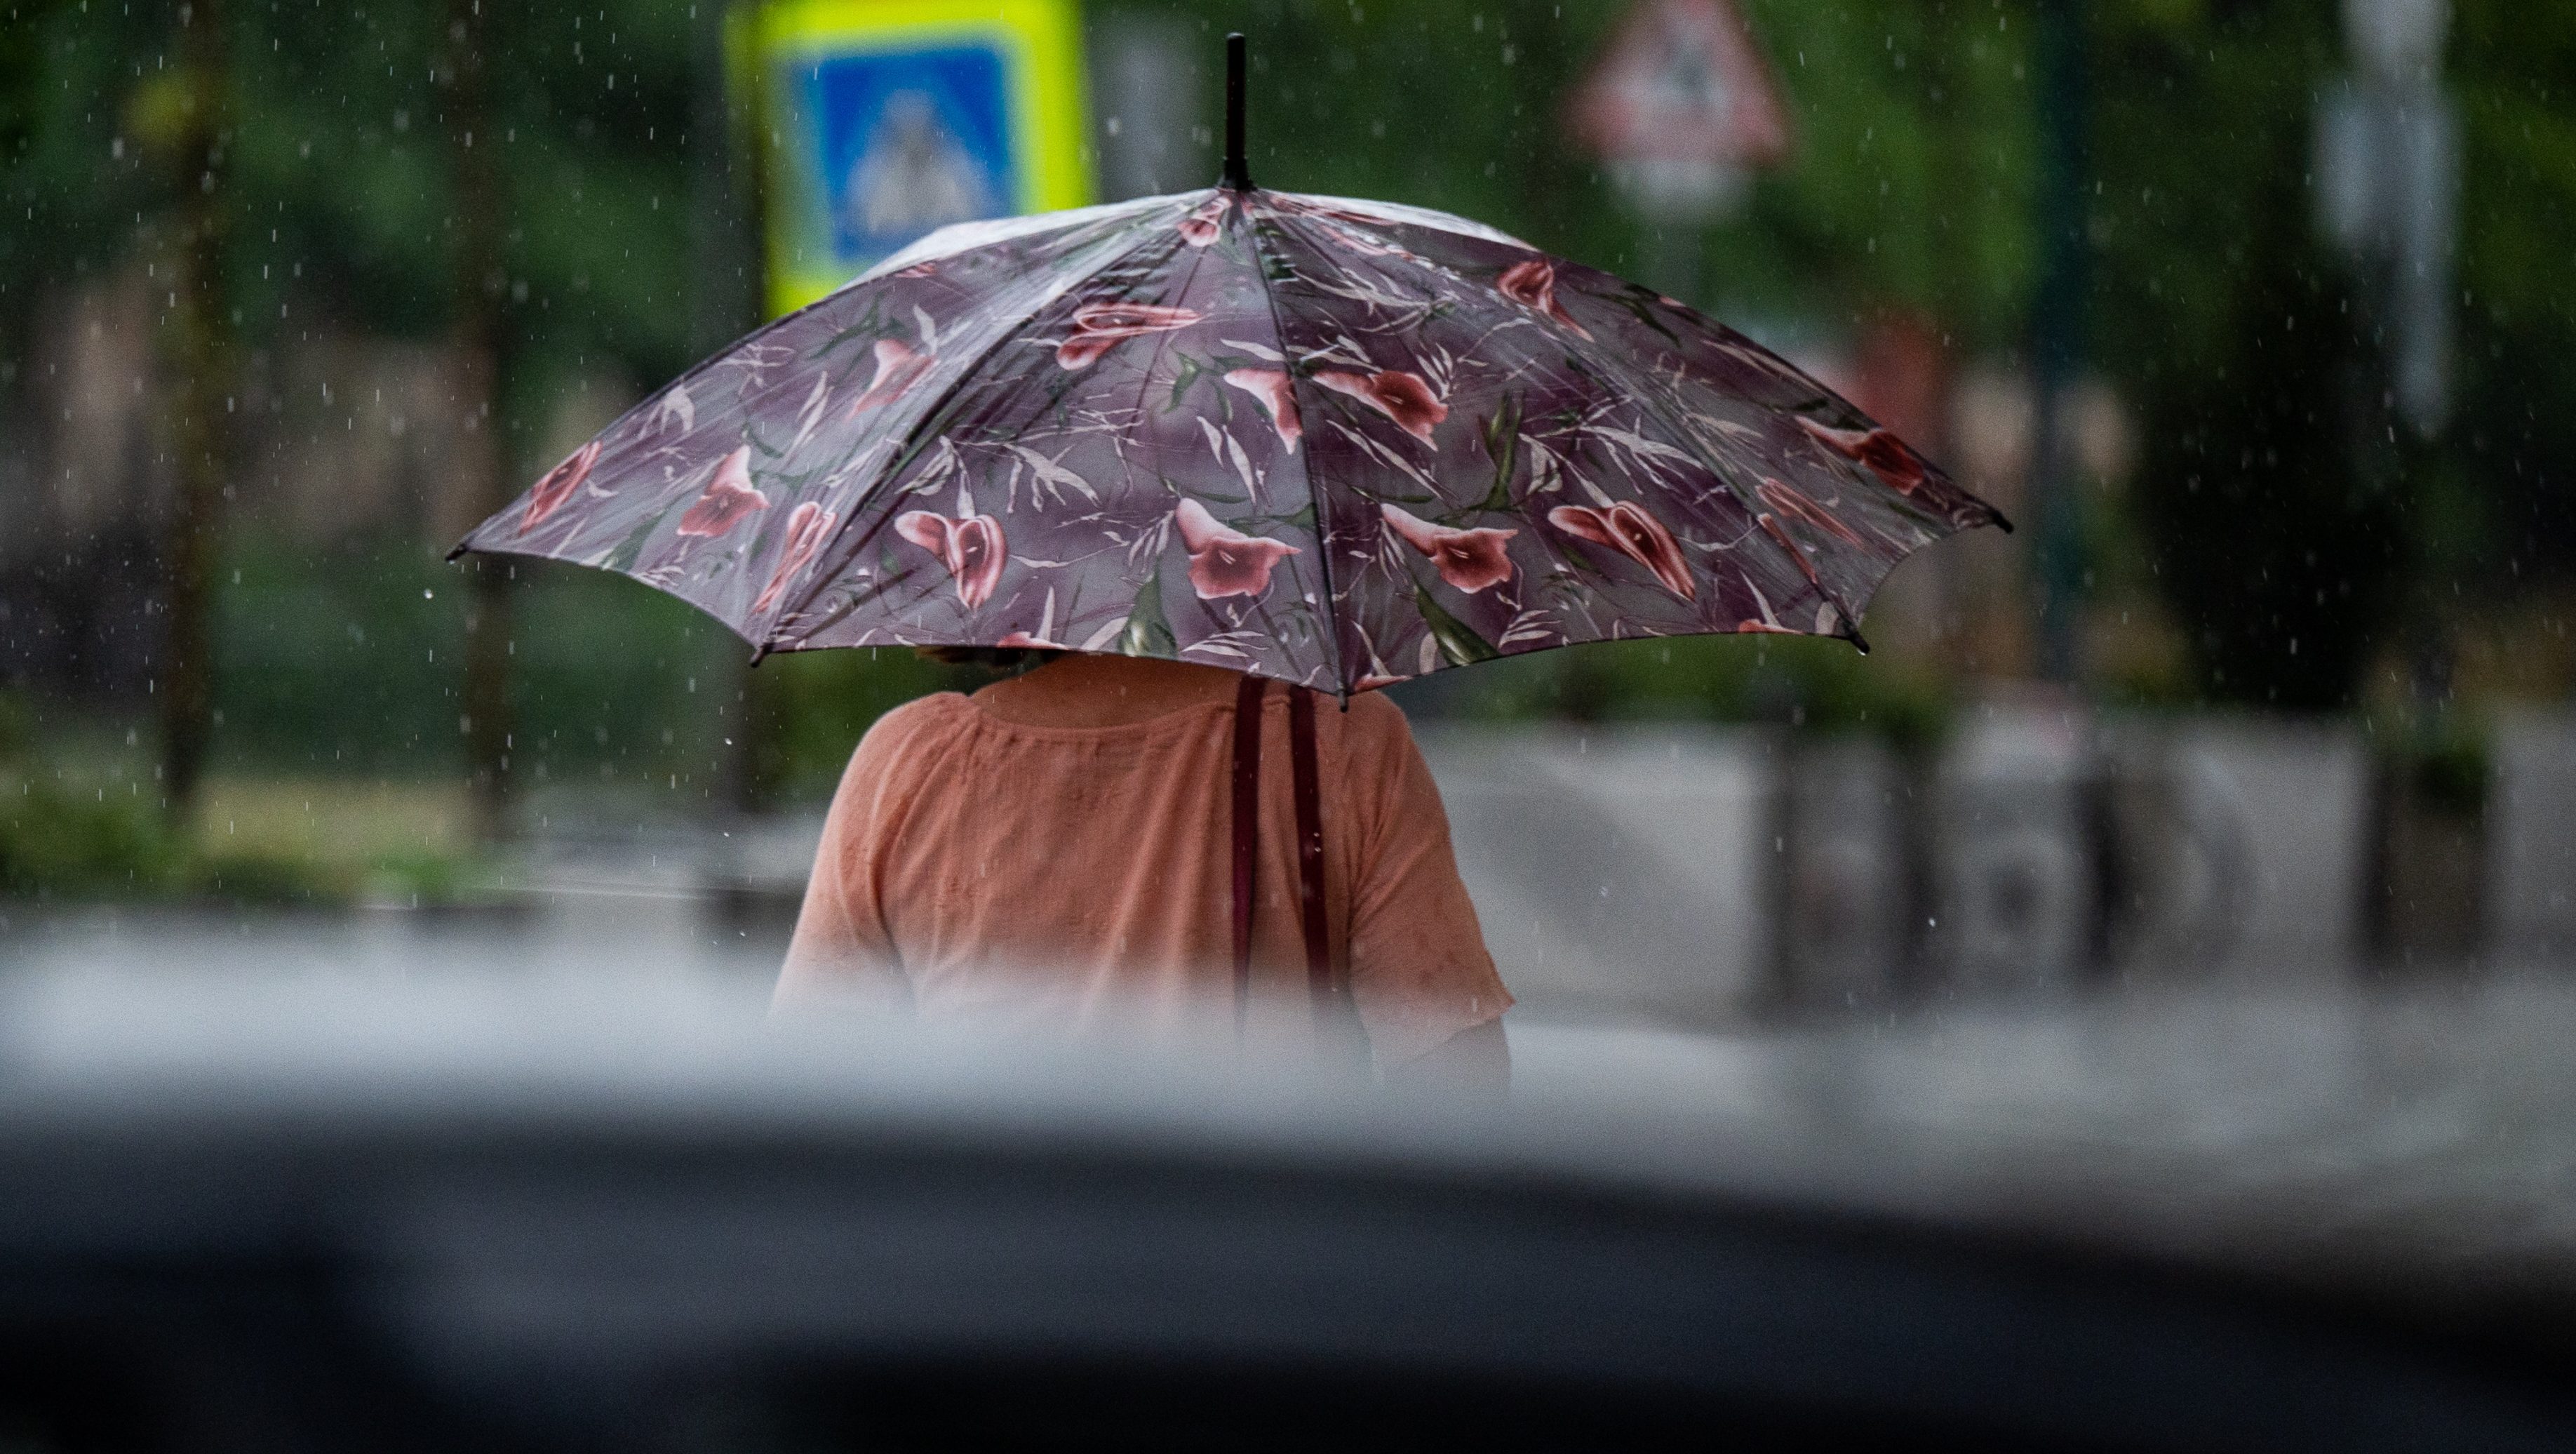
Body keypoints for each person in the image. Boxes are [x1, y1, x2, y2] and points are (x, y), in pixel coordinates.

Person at [775, 650, 1512, 1090]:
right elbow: (1459, 1090)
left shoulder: (909, 765)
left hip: (985, 1306)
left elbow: (812, 1100)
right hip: (1258, 1298)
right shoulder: (1336, 747)